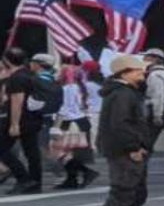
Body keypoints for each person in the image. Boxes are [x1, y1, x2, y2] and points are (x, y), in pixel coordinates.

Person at [77, 56, 159, 206]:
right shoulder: (123, 94)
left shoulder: (126, 92)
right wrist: (133, 147)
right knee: (122, 194)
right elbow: (120, 123)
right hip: (125, 151)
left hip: (127, 149)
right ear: (125, 73)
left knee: (136, 194)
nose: (143, 73)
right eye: (138, 70)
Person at [1, 48, 49, 195]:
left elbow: (17, 101)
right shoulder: (30, 74)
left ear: (7, 61)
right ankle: (35, 182)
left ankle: (23, 179)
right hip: (33, 118)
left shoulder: (16, 78)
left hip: (20, 120)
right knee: (32, 152)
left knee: (2, 148)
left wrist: (14, 124)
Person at [52, 64, 99, 190]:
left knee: (59, 151)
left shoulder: (68, 88)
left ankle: (86, 172)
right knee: (70, 153)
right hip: (80, 120)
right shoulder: (80, 87)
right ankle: (71, 178)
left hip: (69, 121)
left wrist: (56, 126)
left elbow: (65, 108)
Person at [141, 48, 164, 142]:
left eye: (146, 56)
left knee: (147, 140)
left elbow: (158, 95)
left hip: (159, 108)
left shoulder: (155, 75)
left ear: (155, 59)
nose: (144, 58)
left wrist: (157, 115)